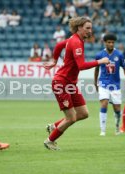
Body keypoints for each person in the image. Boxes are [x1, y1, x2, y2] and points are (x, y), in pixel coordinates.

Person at [43, 17, 109, 150]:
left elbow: (58, 46)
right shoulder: (76, 42)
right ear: (79, 28)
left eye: (91, 28)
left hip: (70, 84)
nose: (90, 31)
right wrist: (100, 61)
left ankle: (54, 127)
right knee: (71, 118)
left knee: (83, 113)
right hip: (61, 83)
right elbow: (81, 65)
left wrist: (55, 61)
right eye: (87, 28)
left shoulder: (74, 39)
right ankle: (50, 141)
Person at [94, 33, 125, 136]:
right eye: (109, 42)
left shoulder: (119, 55)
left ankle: (117, 127)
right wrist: (95, 82)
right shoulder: (99, 55)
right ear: (105, 43)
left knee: (117, 109)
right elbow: (96, 68)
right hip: (103, 83)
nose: (111, 44)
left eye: (113, 42)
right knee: (104, 103)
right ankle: (102, 130)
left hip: (115, 85)